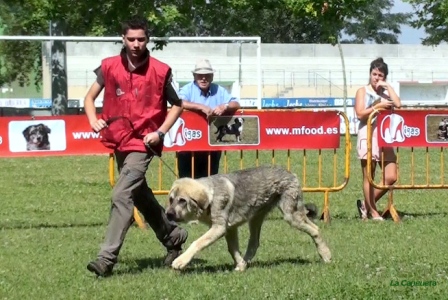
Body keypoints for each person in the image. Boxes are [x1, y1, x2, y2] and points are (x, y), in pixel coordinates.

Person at [83, 16, 188, 276]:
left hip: (143, 143)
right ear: (123, 39)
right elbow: (89, 98)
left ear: (147, 40)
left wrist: (160, 132)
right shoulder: (108, 67)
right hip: (118, 138)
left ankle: (105, 259)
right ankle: (173, 237)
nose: (136, 44)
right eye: (131, 39)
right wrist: (93, 119)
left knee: (121, 194)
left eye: (141, 39)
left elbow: (177, 105)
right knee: (139, 194)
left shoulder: (161, 70)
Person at [354, 57, 401, 221]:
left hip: (384, 135)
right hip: (367, 132)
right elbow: (360, 113)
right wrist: (377, 106)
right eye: (374, 74)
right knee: (369, 175)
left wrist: (388, 87)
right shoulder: (363, 91)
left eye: (380, 75)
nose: (377, 78)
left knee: (391, 176)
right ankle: (373, 212)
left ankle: (365, 206)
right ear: (370, 74)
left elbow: (398, 104)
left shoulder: (386, 92)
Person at [176, 58, 240, 179]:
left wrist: (225, 106)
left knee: (210, 182)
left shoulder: (219, 90)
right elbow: (179, 102)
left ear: (212, 76)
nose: (203, 78)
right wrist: (200, 106)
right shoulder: (187, 89)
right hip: (189, 144)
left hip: (211, 146)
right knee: (187, 183)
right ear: (194, 76)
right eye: (200, 75)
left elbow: (236, 103)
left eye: (207, 75)